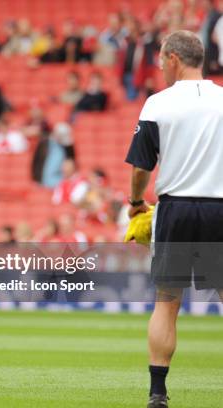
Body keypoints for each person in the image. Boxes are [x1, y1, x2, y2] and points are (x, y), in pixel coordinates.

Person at [124, 30, 223, 408]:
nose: (161, 67)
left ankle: (157, 393)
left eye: (161, 60)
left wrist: (135, 202)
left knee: (167, 302)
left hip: (177, 208)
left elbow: (140, 167)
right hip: (220, 207)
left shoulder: (157, 104)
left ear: (173, 59)